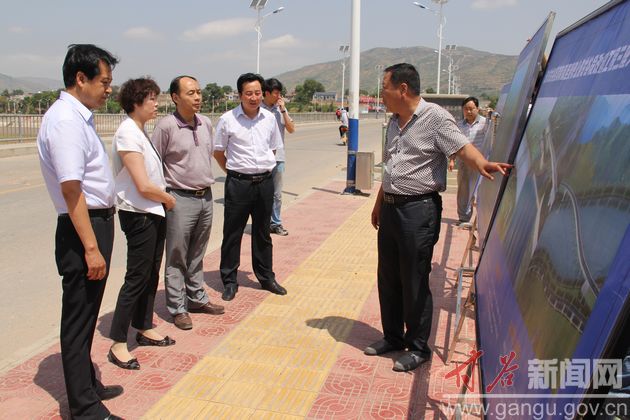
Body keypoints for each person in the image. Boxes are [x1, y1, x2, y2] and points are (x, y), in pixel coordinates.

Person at [365, 63, 511, 372]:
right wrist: (380, 202)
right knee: (388, 276)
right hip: (391, 208)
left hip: (418, 211)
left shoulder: (435, 118)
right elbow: (391, 165)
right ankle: (393, 337)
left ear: (403, 89)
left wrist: (482, 163)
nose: (382, 95)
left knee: (414, 279)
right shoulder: (394, 122)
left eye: (385, 89)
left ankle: (418, 347)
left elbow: (463, 148)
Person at [37, 44, 124, 419]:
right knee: (78, 319)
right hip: (82, 228)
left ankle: (87, 384)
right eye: (104, 81)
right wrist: (91, 247)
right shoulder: (66, 121)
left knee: (87, 314)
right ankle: (84, 408)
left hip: (94, 222)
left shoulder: (79, 117)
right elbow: (72, 190)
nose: (108, 89)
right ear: (80, 78)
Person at [108, 77, 177, 370]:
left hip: (153, 211)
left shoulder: (140, 131)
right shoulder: (127, 133)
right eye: (152, 99)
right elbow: (142, 184)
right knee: (137, 276)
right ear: (136, 102)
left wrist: (162, 201)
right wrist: (168, 199)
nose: (157, 104)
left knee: (150, 273)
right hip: (139, 212)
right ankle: (118, 342)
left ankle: (144, 326)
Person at [151, 75, 224, 331]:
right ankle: (178, 307)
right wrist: (165, 197)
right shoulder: (166, 127)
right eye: (191, 93)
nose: (197, 97)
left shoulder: (205, 123)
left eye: (199, 92)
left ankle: (197, 298)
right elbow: (154, 164)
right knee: (177, 255)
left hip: (205, 197)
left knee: (197, 253)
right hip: (179, 198)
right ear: (175, 97)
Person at [213, 73, 288, 302]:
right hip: (238, 184)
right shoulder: (227, 119)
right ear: (240, 95)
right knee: (232, 233)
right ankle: (229, 281)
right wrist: (235, 171)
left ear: (262, 94)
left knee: (263, 233)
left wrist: (259, 169)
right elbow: (218, 152)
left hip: (264, 183)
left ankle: (266, 277)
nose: (254, 97)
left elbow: (272, 149)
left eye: (257, 93)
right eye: (248, 93)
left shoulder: (269, 118)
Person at [261, 78, 295, 236]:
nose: (279, 96)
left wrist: (283, 110)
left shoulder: (280, 110)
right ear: (267, 93)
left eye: (280, 93)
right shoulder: (257, 109)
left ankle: (275, 223)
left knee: (277, 194)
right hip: (261, 158)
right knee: (261, 193)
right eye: (276, 93)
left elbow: (291, 129)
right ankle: (262, 223)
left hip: (278, 158)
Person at [448, 96, 488, 228]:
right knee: (463, 191)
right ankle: (463, 218)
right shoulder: (459, 125)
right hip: (464, 162)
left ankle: (481, 221)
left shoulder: (485, 123)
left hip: (480, 163)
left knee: (480, 191)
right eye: (466, 109)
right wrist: (452, 159)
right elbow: (455, 143)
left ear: (477, 109)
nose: (468, 111)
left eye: (471, 108)